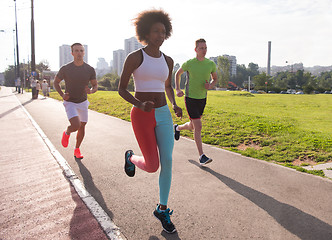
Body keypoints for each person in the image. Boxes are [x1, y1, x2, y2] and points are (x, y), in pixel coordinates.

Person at [118, 9, 182, 234]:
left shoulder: (168, 60)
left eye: (163, 32)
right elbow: (121, 89)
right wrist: (138, 103)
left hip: (164, 113)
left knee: (168, 161)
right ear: (146, 32)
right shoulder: (135, 57)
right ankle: (131, 157)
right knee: (152, 165)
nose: (160, 35)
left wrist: (173, 104)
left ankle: (162, 209)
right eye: (156, 31)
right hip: (142, 115)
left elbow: (167, 86)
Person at [174, 38, 218, 166]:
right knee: (198, 126)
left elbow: (215, 79)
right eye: (201, 48)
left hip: (202, 99)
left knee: (193, 126)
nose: (204, 50)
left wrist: (210, 85)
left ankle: (177, 128)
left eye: (205, 48)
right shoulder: (190, 63)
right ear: (195, 50)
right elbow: (177, 74)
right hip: (190, 98)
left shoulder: (210, 64)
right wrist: (177, 88)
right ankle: (201, 156)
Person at [54, 43, 98, 159]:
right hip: (70, 102)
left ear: (84, 52)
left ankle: (77, 149)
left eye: (81, 51)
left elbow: (95, 86)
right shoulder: (66, 69)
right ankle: (67, 132)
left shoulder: (89, 69)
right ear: (72, 53)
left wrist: (91, 91)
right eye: (76, 51)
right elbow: (56, 82)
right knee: (76, 125)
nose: (79, 53)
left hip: (83, 101)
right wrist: (62, 94)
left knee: (82, 126)